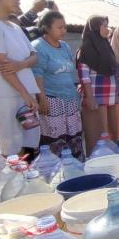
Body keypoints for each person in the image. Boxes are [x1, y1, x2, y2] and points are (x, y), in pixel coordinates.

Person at [0, 0, 41, 156]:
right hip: (4, 94)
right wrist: (24, 93)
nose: (19, 1)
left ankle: (27, 181)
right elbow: (1, 64)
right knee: (10, 145)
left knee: (29, 144)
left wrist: (20, 64)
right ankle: (12, 182)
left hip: (26, 95)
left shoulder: (16, 28)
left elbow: (34, 56)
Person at [31, 11, 84, 159]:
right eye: (59, 27)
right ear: (47, 28)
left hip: (70, 100)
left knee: (74, 137)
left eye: (65, 27)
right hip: (51, 100)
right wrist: (42, 98)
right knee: (55, 140)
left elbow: (70, 71)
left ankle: (77, 170)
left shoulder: (65, 46)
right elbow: (37, 74)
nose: (64, 31)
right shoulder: (38, 47)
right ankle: (57, 174)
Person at [77, 15, 119, 154]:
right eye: (104, 26)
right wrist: (89, 98)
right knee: (98, 137)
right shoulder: (85, 49)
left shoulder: (106, 47)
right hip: (96, 99)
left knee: (114, 134)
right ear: (95, 28)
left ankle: (115, 162)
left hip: (111, 98)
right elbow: (84, 77)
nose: (107, 29)